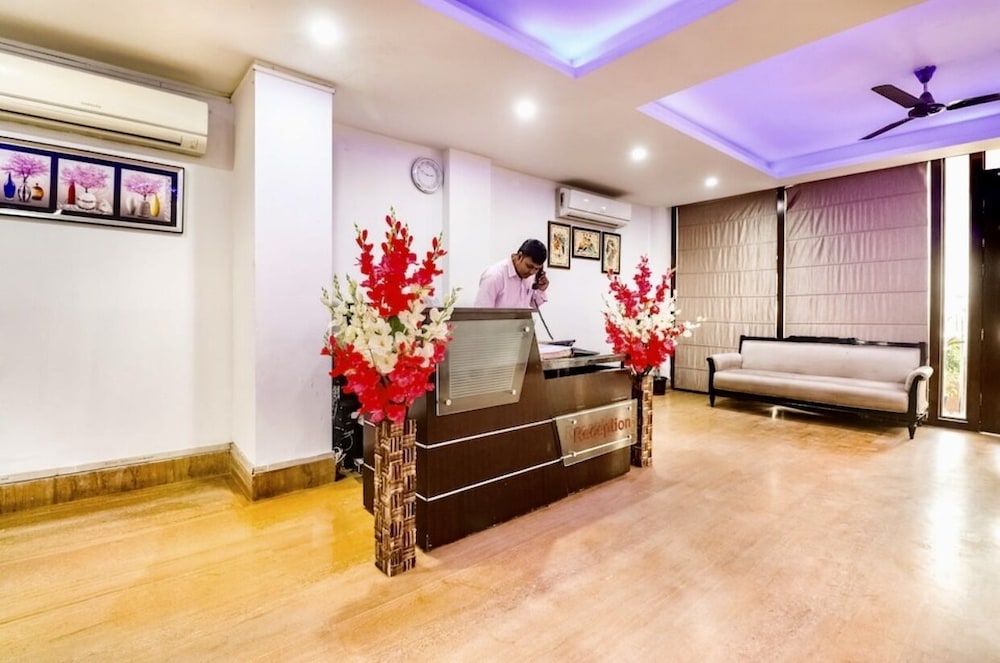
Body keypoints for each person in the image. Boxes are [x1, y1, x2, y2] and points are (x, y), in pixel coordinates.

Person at [474, 239, 549, 308]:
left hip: (522, 319)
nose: (532, 272)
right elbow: (481, 312)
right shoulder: (494, 275)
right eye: (529, 266)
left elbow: (534, 304)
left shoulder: (530, 276)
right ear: (519, 256)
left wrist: (541, 290)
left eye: (536, 269)